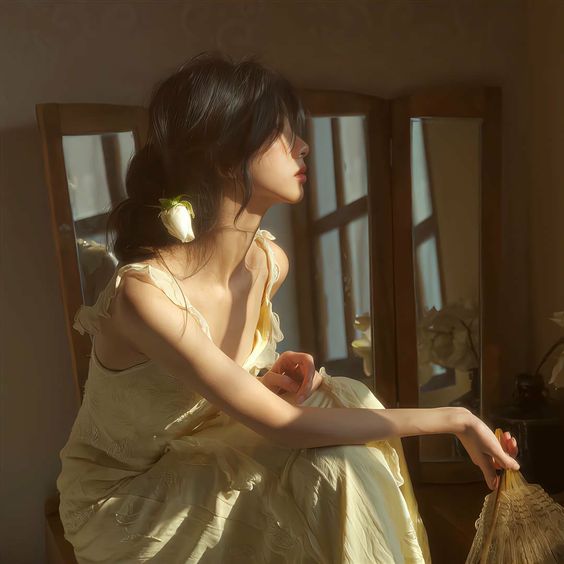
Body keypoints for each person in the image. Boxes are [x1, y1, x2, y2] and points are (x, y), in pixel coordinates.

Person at [57, 50, 520, 564]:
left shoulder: (266, 261)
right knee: (335, 462)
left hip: (205, 451)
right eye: (282, 133)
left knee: (342, 400)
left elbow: (202, 392)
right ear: (223, 156)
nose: (303, 146)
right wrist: (454, 418)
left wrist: (257, 381)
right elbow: (280, 426)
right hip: (125, 498)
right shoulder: (146, 294)